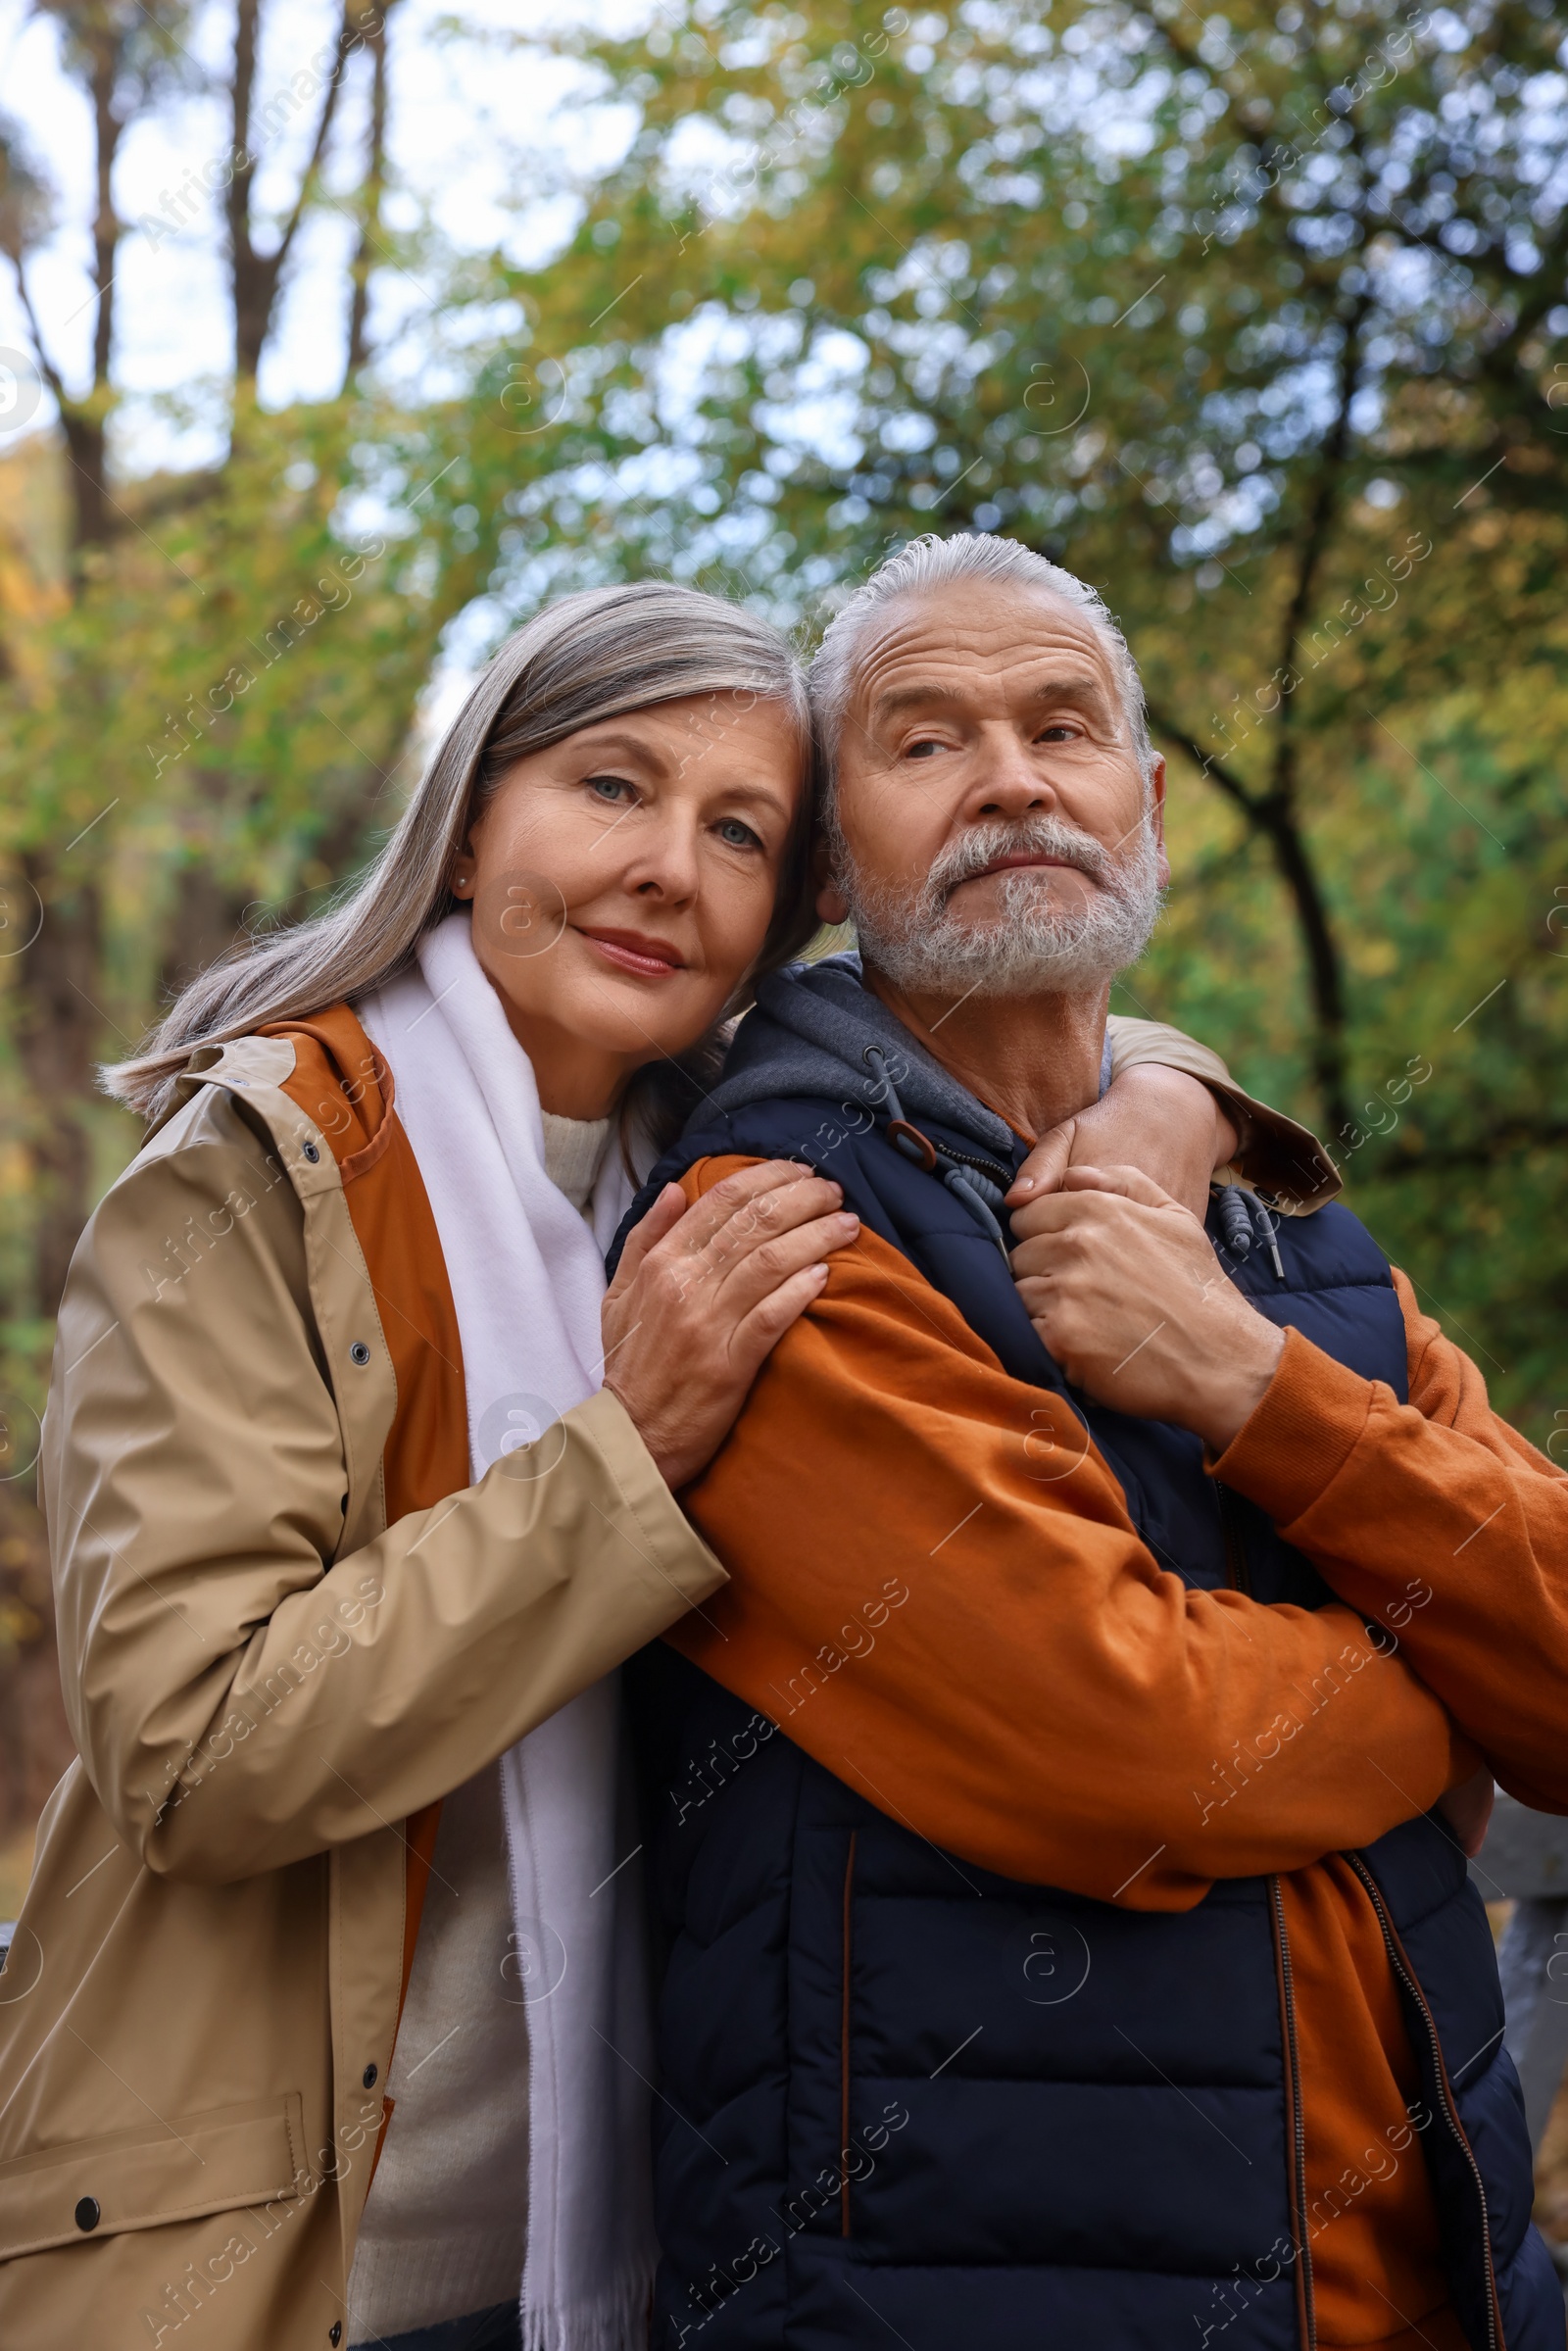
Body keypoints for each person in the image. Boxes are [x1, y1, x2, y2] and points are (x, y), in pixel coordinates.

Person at [0, 578, 1272, 2351]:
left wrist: (1168, 1097)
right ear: (466, 831)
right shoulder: (254, 1179)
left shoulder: (715, 1157)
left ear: (789, 911)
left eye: (740, 831)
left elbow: (1032, 1006)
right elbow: (195, 1754)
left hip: (636, 2257)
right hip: (290, 2268)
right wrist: (622, 1457)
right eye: (611, 787)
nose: (672, 866)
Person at [615, 535, 1568, 2351]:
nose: (1011, 779)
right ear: (830, 858)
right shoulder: (776, 1229)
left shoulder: (1290, 1244)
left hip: (1429, 2287)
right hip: (969, 2288)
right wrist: (1436, 1675)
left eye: (1063, 726)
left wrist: (1250, 1386)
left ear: (1145, 805)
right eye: (925, 740)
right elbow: (1129, 1750)